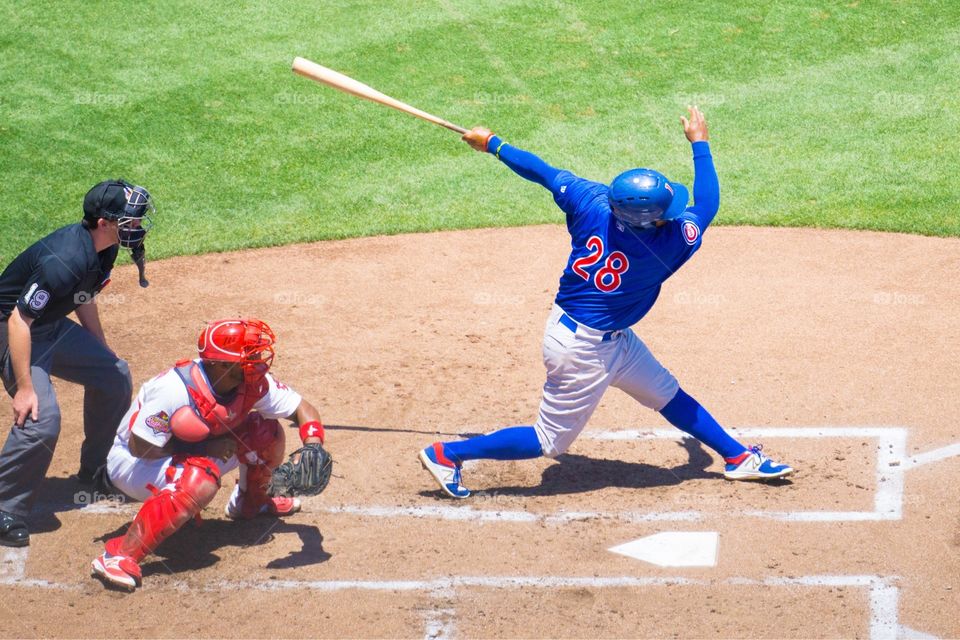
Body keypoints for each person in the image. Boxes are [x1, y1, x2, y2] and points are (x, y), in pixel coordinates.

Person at [418, 107, 793, 499]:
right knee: (548, 441)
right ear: (648, 220)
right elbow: (708, 203)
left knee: (665, 392)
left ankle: (737, 457)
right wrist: (700, 142)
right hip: (583, 351)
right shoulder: (666, 246)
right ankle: (449, 454)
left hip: (596, 334)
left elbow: (541, 172)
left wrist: (493, 144)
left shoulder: (591, 202)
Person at [90, 318, 326, 592]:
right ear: (219, 365)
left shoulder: (252, 382)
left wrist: (313, 445)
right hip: (134, 463)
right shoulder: (175, 388)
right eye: (248, 358)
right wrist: (203, 449)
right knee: (199, 476)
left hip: (193, 449)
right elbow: (138, 446)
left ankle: (252, 503)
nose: (258, 363)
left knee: (266, 433)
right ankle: (119, 556)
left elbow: (303, 409)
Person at [0, 179, 153, 546]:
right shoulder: (64, 260)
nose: (138, 227)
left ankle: (96, 469)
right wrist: (24, 388)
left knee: (114, 375)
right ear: (104, 222)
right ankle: (6, 506)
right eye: (130, 221)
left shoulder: (104, 248)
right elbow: (19, 321)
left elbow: (83, 294)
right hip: (12, 332)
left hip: (49, 327)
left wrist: (99, 348)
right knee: (41, 417)